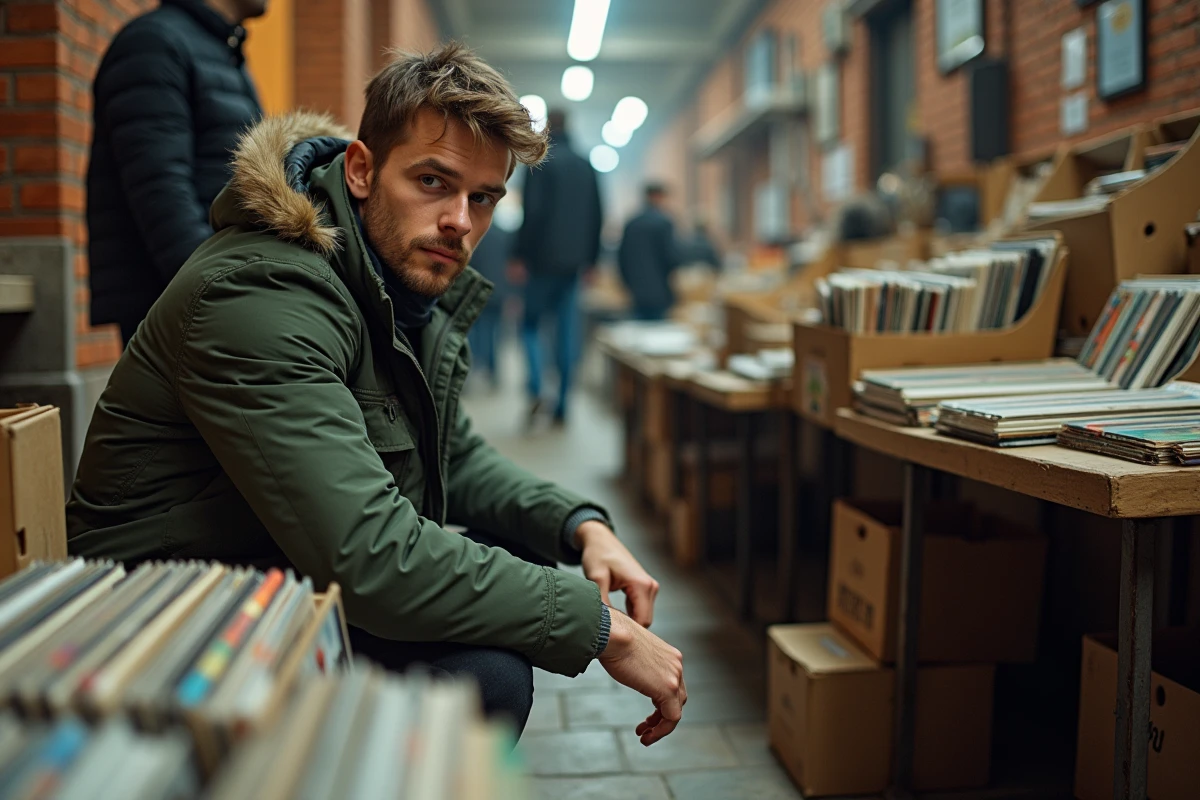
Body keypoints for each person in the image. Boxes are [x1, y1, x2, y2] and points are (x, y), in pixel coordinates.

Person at [66, 44, 686, 745]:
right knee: (485, 678)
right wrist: (601, 628)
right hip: (164, 624)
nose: (460, 221)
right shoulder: (263, 292)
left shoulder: (392, 282)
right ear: (361, 171)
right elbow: (368, 559)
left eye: (482, 198)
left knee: (520, 564)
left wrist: (581, 526)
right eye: (432, 181)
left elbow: (453, 456)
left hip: (270, 572)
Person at [86, 0, 266, 345]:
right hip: (182, 308)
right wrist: (220, 297)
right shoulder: (154, 43)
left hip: (220, 296)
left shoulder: (223, 50)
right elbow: (161, 193)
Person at [512, 109, 603, 426]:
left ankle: (537, 387)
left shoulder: (541, 162)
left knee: (531, 326)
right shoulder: (585, 164)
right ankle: (563, 404)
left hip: (540, 262)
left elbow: (531, 213)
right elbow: (597, 215)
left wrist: (519, 254)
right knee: (567, 333)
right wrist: (592, 260)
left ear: (548, 126)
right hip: (574, 264)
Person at [466, 195, 520, 389]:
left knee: (476, 331)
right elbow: (511, 268)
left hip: (478, 289)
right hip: (499, 292)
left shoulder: (477, 235)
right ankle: (493, 372)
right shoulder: (505, 236)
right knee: (495, 333)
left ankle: (472, 370)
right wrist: (512, 294)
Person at [617, 183, 679, 321]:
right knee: (657, 333)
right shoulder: (664, 223)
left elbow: (622, 258)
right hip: (659, 289)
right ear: (658, 196)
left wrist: (627, 283)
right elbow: (672, 257)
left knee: (638, 330)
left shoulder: (632, 223)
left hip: (635, 289)